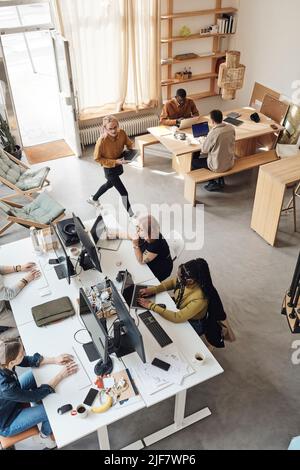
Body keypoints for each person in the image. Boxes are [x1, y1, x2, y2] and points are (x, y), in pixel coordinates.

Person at [0, 338, 78, 449]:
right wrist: (60, 375)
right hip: (8, 422)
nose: (24, 353)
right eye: (21, 353)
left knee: (33, 375)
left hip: (11, 400)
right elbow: (34, 396)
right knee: (49, 411)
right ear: (11, 362)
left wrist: (54, 360)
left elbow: (25, 360)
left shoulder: (3, 360)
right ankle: (44, 436)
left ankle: (36, 408)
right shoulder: (5, 388)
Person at [138, 258, 231, 348]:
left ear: (190, 281)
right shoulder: (185, 279)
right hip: (180, 307)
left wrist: (151, 305)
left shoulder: (200, 298)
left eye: (179, 276)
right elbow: (172, 283)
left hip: (192, 322)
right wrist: (153, 290)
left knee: (168, 336)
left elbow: (177, 317)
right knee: (156, 321)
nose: (177, 278)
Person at [87, 115, 135, 217]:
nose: (113, 131)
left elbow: (129, 143)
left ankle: (93, 198)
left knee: (109, 184)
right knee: (124, 193)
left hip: (118, 164)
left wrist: (131, 151)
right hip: (109, 169)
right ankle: (132, 216)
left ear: (118, 125)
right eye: (110, 129)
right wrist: (115, 162)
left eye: (115, 127)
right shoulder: (101, 141)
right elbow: (97, 158)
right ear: (105, 128)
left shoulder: (121, 132)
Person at [192, 109, 236, 192]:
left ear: (212, 120)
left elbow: (204, 150)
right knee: (220, 155)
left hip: (217, 166)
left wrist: (203, 141)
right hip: (230, 162)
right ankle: (220, 179)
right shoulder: (231, 128)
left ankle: (212, 182)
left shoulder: (213, 133)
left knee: (194, 161)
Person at [0, 263, 41, 341]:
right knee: (28, 323)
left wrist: (18, 268)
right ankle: (2, 339)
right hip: (1, 313)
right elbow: (9, 294)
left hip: (3, 299)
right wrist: (26, 279)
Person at [132, 215, 173, 282]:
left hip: (160, 270)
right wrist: (115, 235)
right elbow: (133, 236)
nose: (137, 231)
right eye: (138, 227)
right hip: (152, 258)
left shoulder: (156, 244)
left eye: (141, 229)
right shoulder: (147, 235)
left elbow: (141, 260)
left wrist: (135, 245)